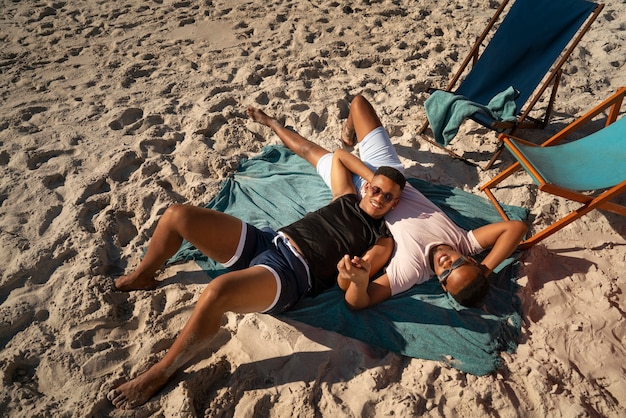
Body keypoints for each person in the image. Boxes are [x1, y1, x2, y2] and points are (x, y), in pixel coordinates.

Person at [107, 129, 406, 409]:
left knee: (217, 292)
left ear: (395, 204)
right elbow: (340, 155)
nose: (379, 199)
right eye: (376, 190)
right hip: (267, 241)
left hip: (290, 275)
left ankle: (162, 370)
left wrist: (354, 274)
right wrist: (374, 177)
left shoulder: (380, 239)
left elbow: (357, 280)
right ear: (367, 186)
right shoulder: (346, 196)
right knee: (177, 215)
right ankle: (143, 276)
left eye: (388, 197)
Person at [247, 94, 527, 308]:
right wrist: (485, 271)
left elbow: (362, 301)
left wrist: (357, 282)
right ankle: (348, 132)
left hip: (359, 196)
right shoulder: (464, 242)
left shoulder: (412, 269)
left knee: (309, 151)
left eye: (445, 273)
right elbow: (515, 228)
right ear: (469, 260)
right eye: (457, 264)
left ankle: (271, 122)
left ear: (441, 284)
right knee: (358, 103)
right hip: (388, 177)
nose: (445, 262)